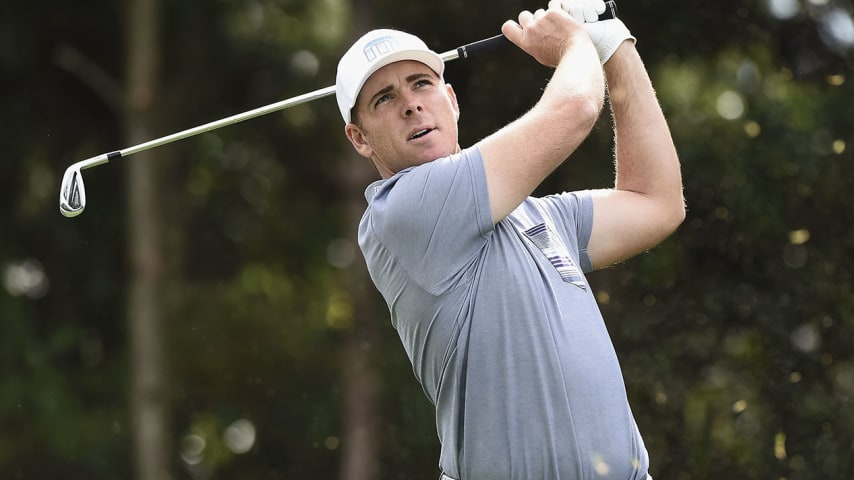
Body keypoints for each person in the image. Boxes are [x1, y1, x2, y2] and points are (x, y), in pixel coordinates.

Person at [334, 0, 684, 478]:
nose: (411, 103)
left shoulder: (538, 216)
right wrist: (576, 42)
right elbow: (576, 107)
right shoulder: (402, 211)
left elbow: (656, 202)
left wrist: (614, 43)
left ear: (451, 100)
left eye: (421, 83)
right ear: (360, 138)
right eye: (384, 99)